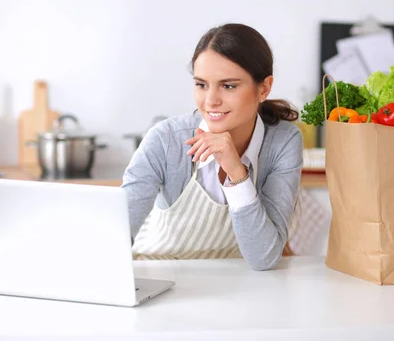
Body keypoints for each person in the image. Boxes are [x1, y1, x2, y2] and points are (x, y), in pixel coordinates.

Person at [121, 23, 303, 271]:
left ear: (264, 88)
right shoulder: (166, 140)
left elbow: (264, 257)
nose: (211, 101)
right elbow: (117, 234)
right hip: (159, 273)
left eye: (228, 86)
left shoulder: (283, 141)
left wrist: (236, 171)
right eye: (201, 84)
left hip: (238, 286)